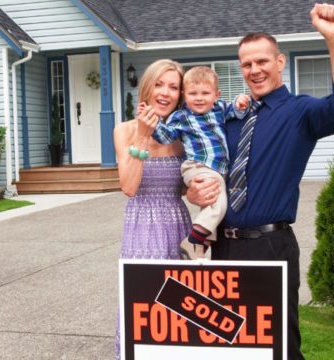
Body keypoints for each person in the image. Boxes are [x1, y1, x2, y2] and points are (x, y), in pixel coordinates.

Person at [187, 4, 334, 359]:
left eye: (262, 61)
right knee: (230, 346)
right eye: (247, 64)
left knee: (278, 346)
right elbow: (203, 163)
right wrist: (191, 190)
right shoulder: (229, 118)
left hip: (270, 245)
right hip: (224, 248)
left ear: (279, 62)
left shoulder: (300, 113)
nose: (255, 70)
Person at [112, 59, 190, 359]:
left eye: (173, 87)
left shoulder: (183, 134)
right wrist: (144, 134)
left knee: (180, 310)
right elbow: (129, 187)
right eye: (159, 84)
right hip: (141, 229)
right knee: (144, 306)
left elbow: (189, 190)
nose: (166, 92)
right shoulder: (125, 130)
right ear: (147, 87)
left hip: (177, 228)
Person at [148, 66, 248, 260]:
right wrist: (154, 122)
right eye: (193, 93)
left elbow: (236, 111)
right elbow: (166, 137)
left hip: (217, 169)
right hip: (197, 166)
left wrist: (240, 102)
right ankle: (192, 240)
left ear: (216, 95)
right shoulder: (181, 117)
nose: (199, 98)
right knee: (219, 204)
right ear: (185, 95)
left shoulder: (219, 109)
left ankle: (198, 250)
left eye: (205, 93)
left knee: (211, 205)